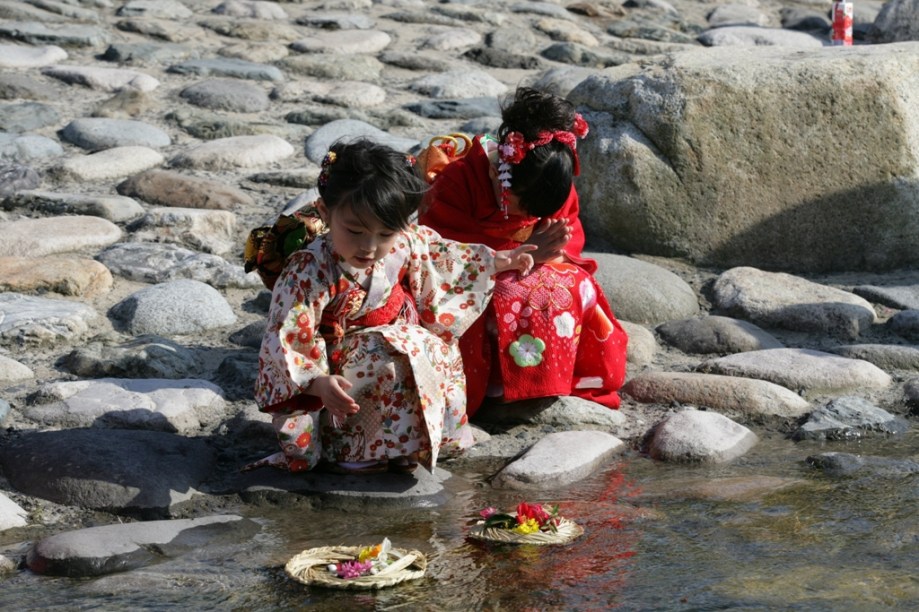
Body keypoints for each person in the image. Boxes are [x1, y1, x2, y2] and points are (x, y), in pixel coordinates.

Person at [252, 139, 535, 475]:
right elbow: (288, 339)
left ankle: (408, 444)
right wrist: (316, 383)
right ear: (326, 213)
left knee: (436, 348)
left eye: (385, 233)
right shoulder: (308, 269)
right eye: (354, 230)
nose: (369, 247)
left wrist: (496, 261)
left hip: (394, 340)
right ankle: (352, 448)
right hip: (340, 367)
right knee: (383, 358)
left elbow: (444, 260)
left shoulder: (404, 241)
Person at [418, 86, 628, 416]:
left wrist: (551, 255)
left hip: (534, 266)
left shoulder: (550, 179)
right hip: (470, 278)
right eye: (517, 204)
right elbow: (438, 254)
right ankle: (498, 384)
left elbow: (568, 241)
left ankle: (552, 377)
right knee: (506, 292)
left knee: (576, 285)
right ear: (499, 170)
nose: (524, 216)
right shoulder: (459, 180)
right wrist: (521, 255)